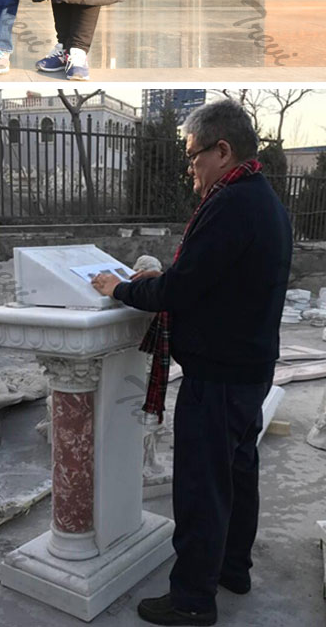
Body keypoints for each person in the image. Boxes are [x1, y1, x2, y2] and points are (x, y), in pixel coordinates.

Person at [91, 100, 293, 626]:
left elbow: (182, 288)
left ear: (222, 151)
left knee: (202, 488)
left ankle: (192, 600)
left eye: (194, 156)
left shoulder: (232, 205)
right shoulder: (261, 198)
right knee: (237, 475)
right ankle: (232, 569)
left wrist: (123, 288)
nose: (189, 167)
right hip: (249, 367)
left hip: (221, 374)